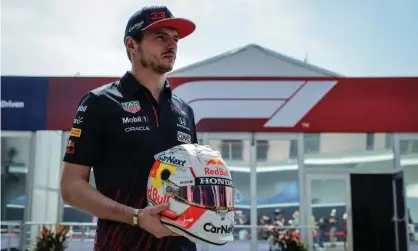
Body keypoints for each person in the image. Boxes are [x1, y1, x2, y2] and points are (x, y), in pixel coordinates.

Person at [60, 5, 197, 251]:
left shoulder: (185, 111)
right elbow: (71, 188)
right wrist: (135, 216)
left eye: (175, 39)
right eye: (160, 37)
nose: (172, 45)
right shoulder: (99, 102)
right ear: (132, 45)